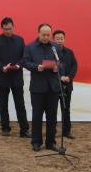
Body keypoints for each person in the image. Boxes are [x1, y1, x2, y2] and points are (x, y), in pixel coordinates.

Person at [22, 23, 61, 152]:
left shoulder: (55, 47)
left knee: (52, 117)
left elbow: (61, 63)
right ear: (38, 33)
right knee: (37, 116)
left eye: (48, 35)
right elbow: (25, 62)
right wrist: (36, 67)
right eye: (43, 35)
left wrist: (57, 68)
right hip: (37, 88)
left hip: (53, 88)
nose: (46, 37)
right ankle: (36, 142)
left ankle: (50, 142)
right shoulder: (30, 47)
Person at [0, 17, 29, 138]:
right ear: (1, 28)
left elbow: (24, 57)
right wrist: (2, 67)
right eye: (5, 29)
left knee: (20, 104)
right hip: (2, 76)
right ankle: (5, 128)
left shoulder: (20, 40)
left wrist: (18, 65)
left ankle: (24, 130)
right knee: (3, 104)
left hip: (17, 76)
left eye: (10, 28)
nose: (8, 31)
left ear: (13, 27)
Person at [52, 29, 78, 139]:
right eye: (57, 39)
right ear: (53, 39)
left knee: (66, 109)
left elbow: (74, 66)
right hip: (53, 86)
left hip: (67, 85)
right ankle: (52, 132)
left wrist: (69, 77)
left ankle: (66, 131)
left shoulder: (69, 52)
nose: (59, 40)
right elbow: (49, 68)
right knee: (52, 110)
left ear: (64, 39)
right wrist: (60, 77)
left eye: (61, 38)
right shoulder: (50, 52)